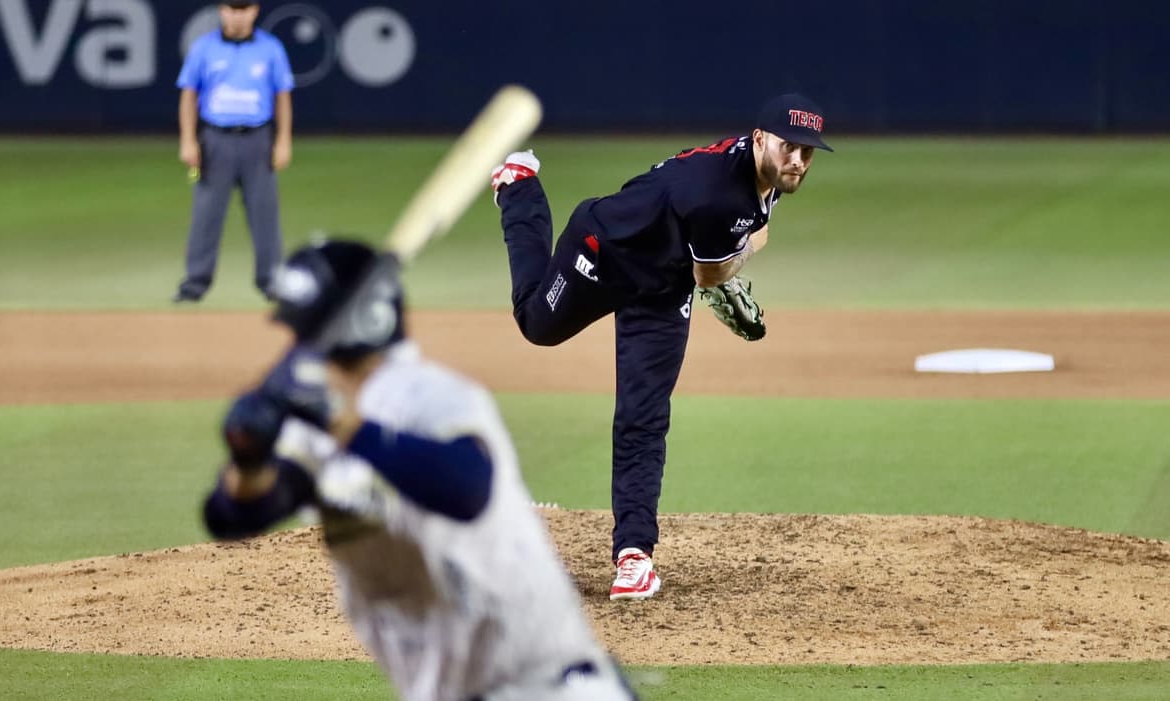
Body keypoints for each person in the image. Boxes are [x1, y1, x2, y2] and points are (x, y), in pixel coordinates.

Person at [202, 238, 639, 701]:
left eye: (302, 333)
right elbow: (234, 516)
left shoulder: (435, 397)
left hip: (546, 688)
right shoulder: (316, 427)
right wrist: (248, 457)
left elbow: (466, 488)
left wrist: (341, 422)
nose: (295, 349)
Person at [490, 93, 834, 601]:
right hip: (602, 251)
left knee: (643, 416)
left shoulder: (766, 173)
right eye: (790, 148)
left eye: (808, 152)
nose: (799, 161)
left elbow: (748, 234)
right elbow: (712, 272)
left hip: (662, 289)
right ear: (760, 139)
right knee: (537, 325)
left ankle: (634, 556)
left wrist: (735, 253)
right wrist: (733, 266)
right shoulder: (722, 194)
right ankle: (519, 185)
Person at [174, 1, 295, 303]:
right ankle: (195, 282)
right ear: (221, 11)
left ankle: (271, 281)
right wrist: (188, 140)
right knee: (206, 214)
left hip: (257, 137)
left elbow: (282, 97)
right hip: (216, 139)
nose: (237, 15)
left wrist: (283, 141)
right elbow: (189, 95)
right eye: (231, 8)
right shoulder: (204, 48)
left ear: (254, 11)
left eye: (243, 9)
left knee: (264, 214)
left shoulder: (271, 49)